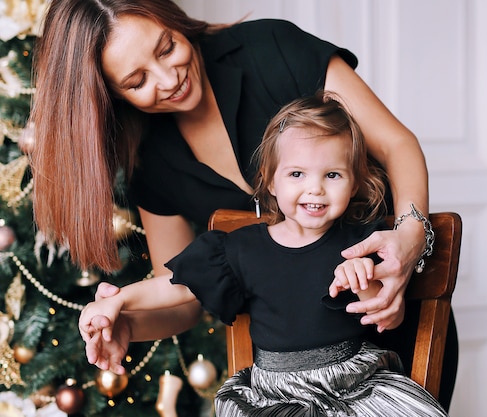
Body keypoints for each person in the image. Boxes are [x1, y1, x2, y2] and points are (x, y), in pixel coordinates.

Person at [30, 0, 457, 409]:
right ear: (110, 96)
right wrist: (128, 324)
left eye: (167, 47)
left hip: (392, 342)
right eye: (137, 82)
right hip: (287, 380)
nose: (168, 78)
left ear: (173, 20)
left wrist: (410, 236)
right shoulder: (149, 161)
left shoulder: (272, 48)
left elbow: (396, 143)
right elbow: (185, 295)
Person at [79, 93, 448, 417]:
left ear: (354, 182)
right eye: (297, 174)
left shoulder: (365, 243)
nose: (314, 188)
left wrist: (363, 278)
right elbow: (177, 288)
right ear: (271, 180)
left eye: (333, 174)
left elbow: (389, 317)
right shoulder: (240, 248)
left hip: (351, 389)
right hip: (272, 398)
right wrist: (120, 301)